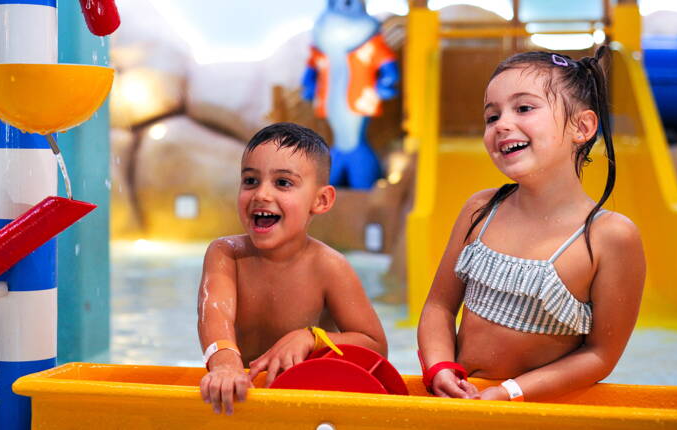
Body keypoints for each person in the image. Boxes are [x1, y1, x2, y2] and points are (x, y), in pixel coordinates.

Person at [417, 47, 646, 402]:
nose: (501, 124)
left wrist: (510, 392)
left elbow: (600, 354)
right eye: (492, 116)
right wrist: (440, 368)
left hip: (534, 408)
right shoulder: (481, 210)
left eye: (524, 108)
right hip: (461, 401)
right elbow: (438, 307)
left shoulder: (609, 236)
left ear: (582, 127)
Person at [198, 122, 388, 414]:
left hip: (308, 403)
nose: (261, 194)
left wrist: (312, 338)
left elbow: (375, 346)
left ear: (321, 200)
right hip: (244, 395)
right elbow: (215, 316)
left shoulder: (328, 267)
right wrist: (225, 366)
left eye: (283, 183)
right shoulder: (226, 254)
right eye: (250, 180)